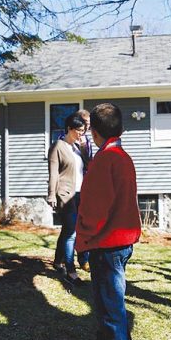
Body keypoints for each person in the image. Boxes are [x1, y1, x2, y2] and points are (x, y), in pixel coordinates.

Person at [76, 103, 141, 340]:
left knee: (109, 310)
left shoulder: (105, 159)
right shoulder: (122, 156)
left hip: (107, 243)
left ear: (94, 131)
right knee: (113, 307)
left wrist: (82, 240)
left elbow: (94, 209)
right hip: (121, 241)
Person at [47, 112, 86, 286]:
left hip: (79, 194)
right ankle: (71, 272)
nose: (81, 134)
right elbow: (53, 173)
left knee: (68, 230)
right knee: (71, 233)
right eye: (78, 130)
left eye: (83, 131)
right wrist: (51, 194)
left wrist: (84, 148)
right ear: (69, 129)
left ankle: (58, 262)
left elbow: (86, 166)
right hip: (65, 194)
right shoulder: (58, 146)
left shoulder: (77, 147)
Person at [76, 109, 92, 272]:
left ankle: (84, 259)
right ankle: (64, 258)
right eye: (85, 123)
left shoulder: (86, 140)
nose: (87, 127)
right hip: (71, 187)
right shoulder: (65, 138)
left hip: (85, 186)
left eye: (89, 124)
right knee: (73, 226)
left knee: (85, 224)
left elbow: (89, 163)